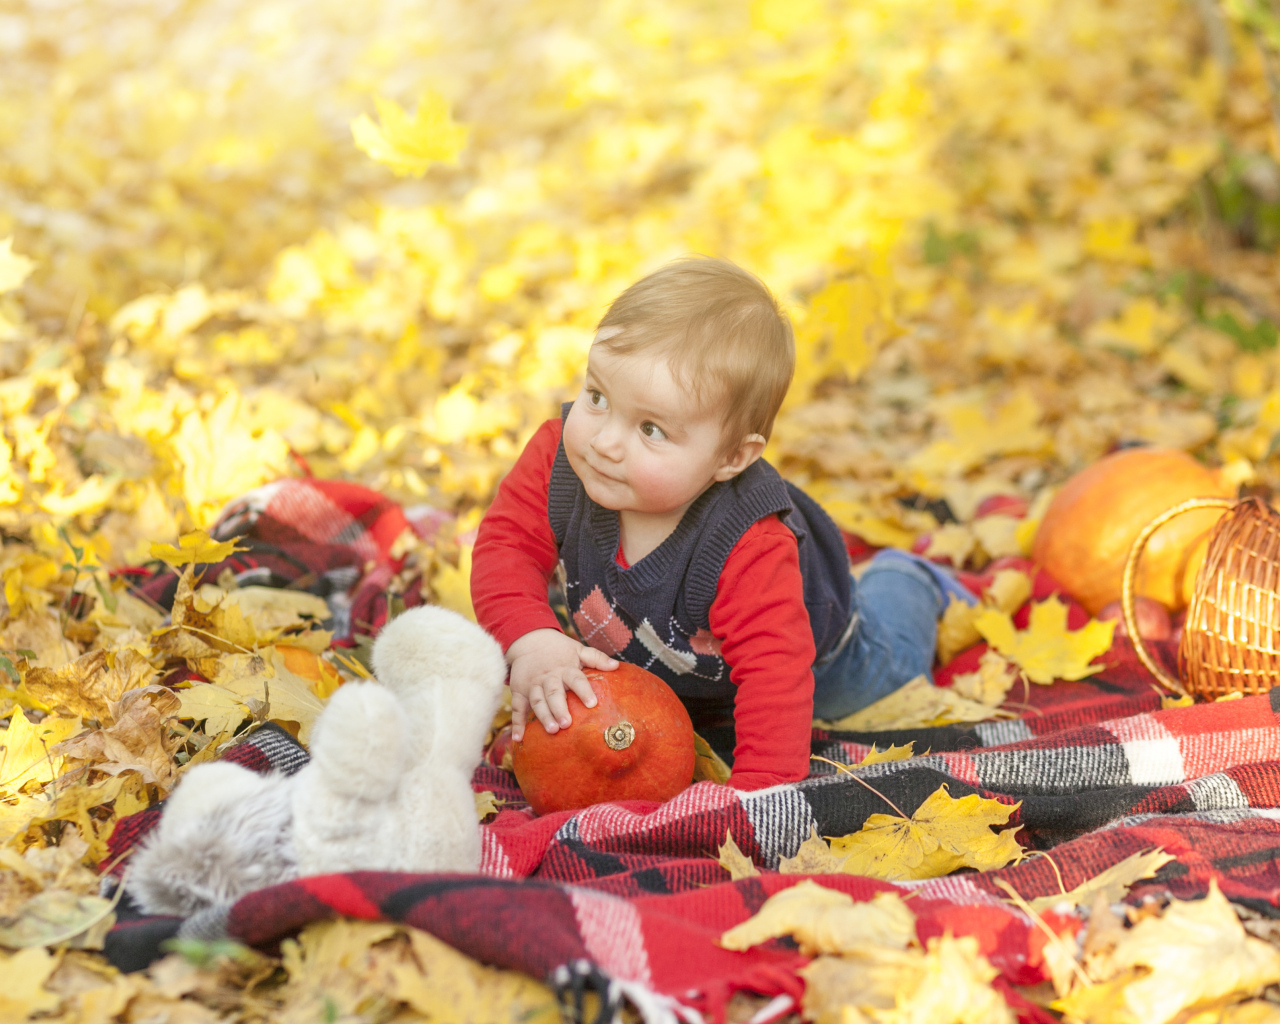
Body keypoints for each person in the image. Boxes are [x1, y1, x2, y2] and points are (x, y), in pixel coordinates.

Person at [470, 256, 971, 790]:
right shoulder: (560, 461)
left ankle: (910, 578)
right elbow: (506, 545)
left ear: (732, 457)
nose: (604, 441)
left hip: (823, 663)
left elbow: (775, 674)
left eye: (651, 429)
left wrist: (757, 800)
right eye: (598, 397)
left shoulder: (747, 544)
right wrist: (533, 638)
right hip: (673, 665)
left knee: (884, 675)